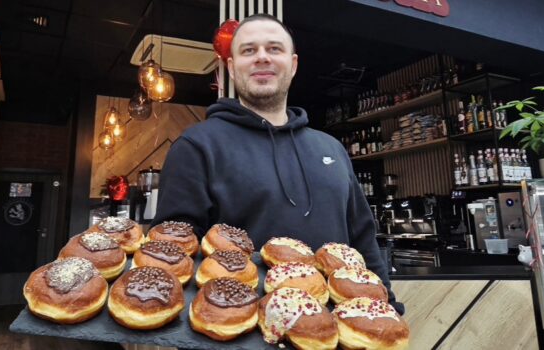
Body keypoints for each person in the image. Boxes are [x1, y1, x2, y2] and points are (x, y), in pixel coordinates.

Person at [151, 13, 403, 314]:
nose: (262, 57)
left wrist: (389, 307)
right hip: (238, 327)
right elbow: (173, 254)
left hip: (335, 329)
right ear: (231, 67)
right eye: (248, 50)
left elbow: (363, 241)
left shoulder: (331, 148)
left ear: (293, 65)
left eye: (274, 48)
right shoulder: (197, 147)